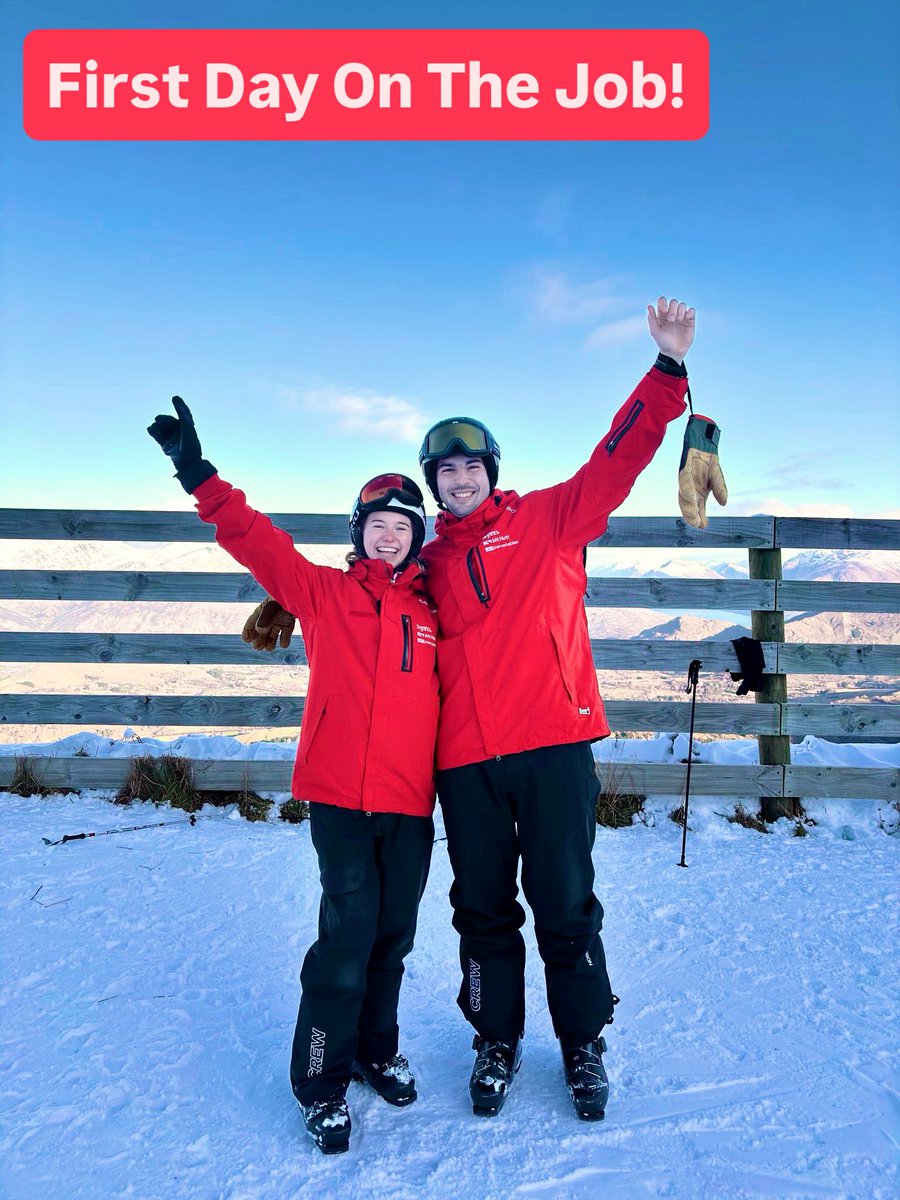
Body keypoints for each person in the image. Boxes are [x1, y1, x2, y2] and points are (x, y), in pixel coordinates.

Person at [240, 296, 695, 1121]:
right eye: (443, 472)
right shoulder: (425, 563)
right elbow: (361, 605)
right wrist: (297, 601)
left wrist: (666, 371)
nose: (458, 480)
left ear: (490, 468)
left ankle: (584, 1045)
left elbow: (616, 460)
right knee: (481, 910)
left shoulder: (550, 520)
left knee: (565, 901)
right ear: (432, 487)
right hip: (464, 766)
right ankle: (496, 1039)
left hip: (554, 745)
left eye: (470, 467)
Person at [146, 401, 439, 1155]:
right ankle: (322, 1081)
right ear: (358, 533)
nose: (390, 534)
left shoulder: (434, 614)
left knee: (392, 939)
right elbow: (256, 542)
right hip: (341, 799)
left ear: (417, 542)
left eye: (404, 526)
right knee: (345, 941)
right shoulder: (324, 595)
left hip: (410, 806)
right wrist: (197, 474)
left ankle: (377, 1049)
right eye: (378, 524)